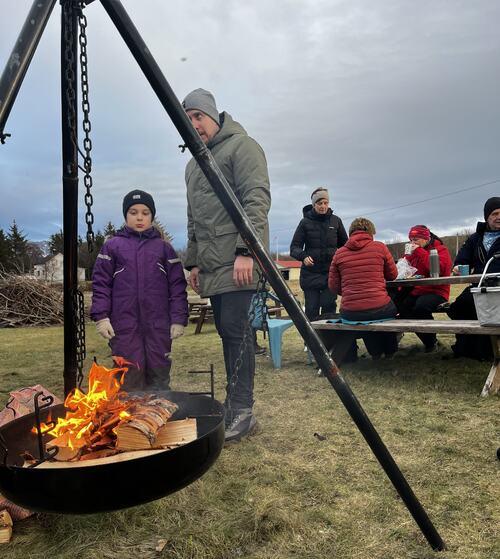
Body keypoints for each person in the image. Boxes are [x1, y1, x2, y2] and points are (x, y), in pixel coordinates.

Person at [182, 88, 271, 443]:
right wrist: (193, 263)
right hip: (212, 265)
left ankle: (243, 411)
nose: (194, 125)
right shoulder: (192, 165)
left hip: (238, 261)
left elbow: (256, 199)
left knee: (237, 330)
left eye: (198, 117)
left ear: (214, 116)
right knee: (226, 331)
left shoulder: (242, 147)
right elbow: (193, 219)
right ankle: (233, 404)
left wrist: (246, 250)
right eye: (187, 120)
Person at [91, 189, 188, 391]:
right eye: (133, 212)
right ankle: (128, 419)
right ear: (126, 215)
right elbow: (101, 284)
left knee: (159, 376)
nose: (139, 217)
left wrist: (178, 319)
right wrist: (101, 317)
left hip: (158, 326)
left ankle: (159, 416)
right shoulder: (112, 247)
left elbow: (177, 286)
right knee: (128, 378)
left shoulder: (164, 248)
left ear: (152, 216)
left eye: (145, 213)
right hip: (124, 326)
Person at [328, 218, 398, 361]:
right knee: (390, 307)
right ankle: (390, 351)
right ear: (371, 232)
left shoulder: (339, 253)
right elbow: (393, 275)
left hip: (350, 312)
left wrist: (350, 291)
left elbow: (333, 286)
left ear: (351, 233)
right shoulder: (380, 247)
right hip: (379, 308)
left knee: (362, 315)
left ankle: (375, 353)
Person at [447, 197, 500, 359]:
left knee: (491, 313)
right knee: (459, 307)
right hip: (479, 287)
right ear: (486, 217)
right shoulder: (475, 238)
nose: (499, 217)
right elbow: (461, 260)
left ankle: (488, 351)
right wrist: (458, 267)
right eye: (495, 213)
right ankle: (468, 348)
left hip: (498, 288)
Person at [290, 187, 347, 321]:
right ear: (314, 204)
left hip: (330, 273)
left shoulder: (336, 221)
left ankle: (330, 341)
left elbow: (345, 245)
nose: (323, 206)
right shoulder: (305, 222)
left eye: (325, 203)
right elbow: (294, 247)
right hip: (310, 274)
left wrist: (341, 258)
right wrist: (303, 257)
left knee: (328, 306)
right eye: (319, 203)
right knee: (311, 309)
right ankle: (310, 341)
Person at [394, 225, 452, 352]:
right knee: (403, 306)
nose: (413, 243)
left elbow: (439, 270)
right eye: (411, 239)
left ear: (426, 238)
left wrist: (419, 252)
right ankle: (427, 341)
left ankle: (431, 342)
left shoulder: (440, 249)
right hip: (417, 290)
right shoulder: (412, 252)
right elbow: (405, 269)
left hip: (437, 291)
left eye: (416, 239)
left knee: (421, 307)